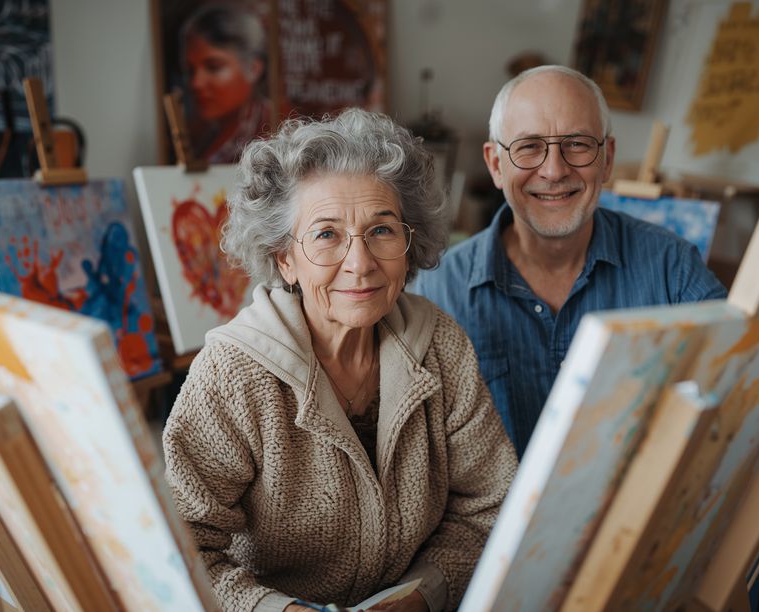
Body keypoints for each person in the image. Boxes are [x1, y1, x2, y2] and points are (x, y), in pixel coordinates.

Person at [163, 108, 517, 612]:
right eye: (326, 234)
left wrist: (420, 598)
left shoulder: (442, 346)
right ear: (285, 258)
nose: (361, 262)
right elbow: (183, 551)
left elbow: (489, 508)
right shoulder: (231, 375)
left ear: (409, 242)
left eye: (382, 230)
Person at [411, 65, 727, 457]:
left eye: (577, 144)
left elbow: (735, 391)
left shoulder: (671, 268)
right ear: (495, 165)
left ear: (607, 158)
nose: (555, 170)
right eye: (528, 147)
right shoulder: (438, 291)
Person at [180, 2, 272, 163]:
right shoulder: (199, 132)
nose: (196, 83)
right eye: (190, 70)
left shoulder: (271, 127)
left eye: (213, 67)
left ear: (253, 69)